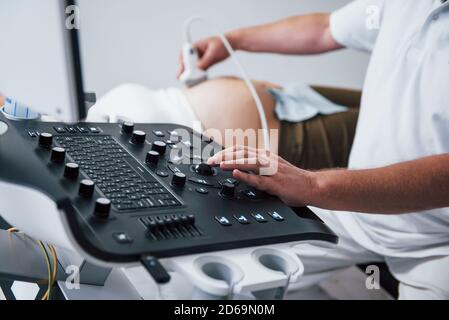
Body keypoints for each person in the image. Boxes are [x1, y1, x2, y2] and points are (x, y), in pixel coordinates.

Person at [175, 0, 449, 299]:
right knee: (225, 282)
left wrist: (313, 185)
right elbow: (324, 29)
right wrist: (233, 41)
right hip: (356, 211)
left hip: (437, 241)